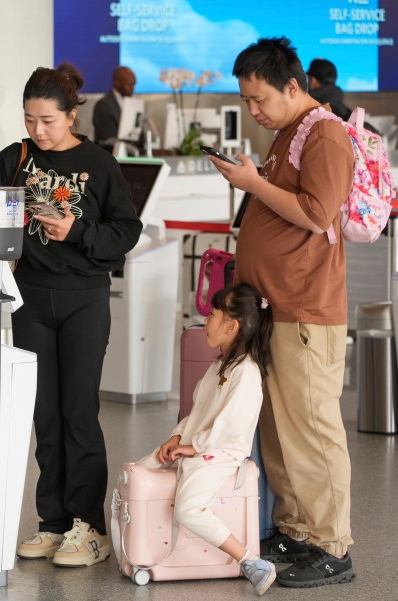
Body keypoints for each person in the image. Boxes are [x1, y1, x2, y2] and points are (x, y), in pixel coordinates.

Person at [0, 62, 142, 568]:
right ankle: (52, 522)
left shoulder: (99, 162)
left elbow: (126, 232)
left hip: (84, 300)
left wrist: (76, 232)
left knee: (78, 413)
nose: (37, 130)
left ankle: (88, 526)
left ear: (71, 115)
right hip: (30, 298)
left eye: (48, 120)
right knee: (44, 416)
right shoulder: (14, 158)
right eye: (29, 119)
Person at [206, 37, 355, 588]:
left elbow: (318, 214)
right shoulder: (287, 135)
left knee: (312, 431)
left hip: (306, 311)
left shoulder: (326, 134)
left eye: (259, 99)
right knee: (279, 431)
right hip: (275, 311)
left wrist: (253, 184)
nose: (253, 110)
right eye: (246, 101)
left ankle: (332, 545)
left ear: (293, 86)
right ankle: (297, 530)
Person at [136, 284, 275, 595]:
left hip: (221, 453)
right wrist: (177, 437)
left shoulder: (247, 373)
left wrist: (194, 446)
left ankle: (251, 561)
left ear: (231, 325)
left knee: (188, 508)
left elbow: (231, 427)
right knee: (142, 470)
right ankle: (142, 547)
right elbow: (198, 413)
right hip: (201, 445)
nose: (206, 319)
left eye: (212, 314)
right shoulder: (220, 366)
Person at [92, 66, 137, 151]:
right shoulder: (103, 105)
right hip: (110, 156)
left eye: (134, 84)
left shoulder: (133, 104)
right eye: (129, 84)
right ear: (117, 83)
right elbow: (109, 138)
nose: (133, 88)